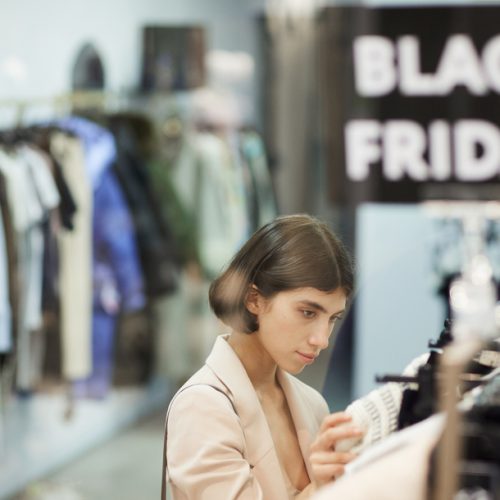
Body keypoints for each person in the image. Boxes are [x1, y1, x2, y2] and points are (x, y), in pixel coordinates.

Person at [162, 214, 364, 499]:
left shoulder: (312, 404)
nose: (322, 339)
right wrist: (321, 489)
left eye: (333, 318)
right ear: (253, 299)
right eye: (308, 312)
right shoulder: (202, 406)